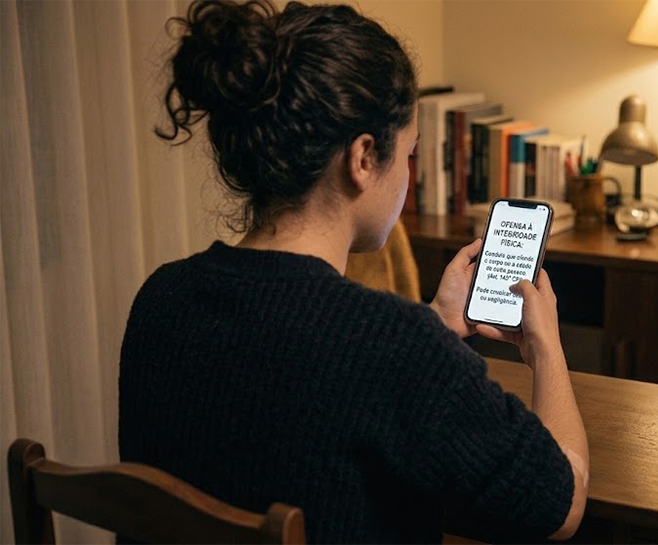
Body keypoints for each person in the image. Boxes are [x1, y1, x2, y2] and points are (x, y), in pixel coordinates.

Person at [117, 1, 589, 543]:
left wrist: (433, 322)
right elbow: (560, 504)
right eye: (409, 156)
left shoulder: (162, 298)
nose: (407, 179)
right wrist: (545, 345)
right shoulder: (392, 345)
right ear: (364, 157)